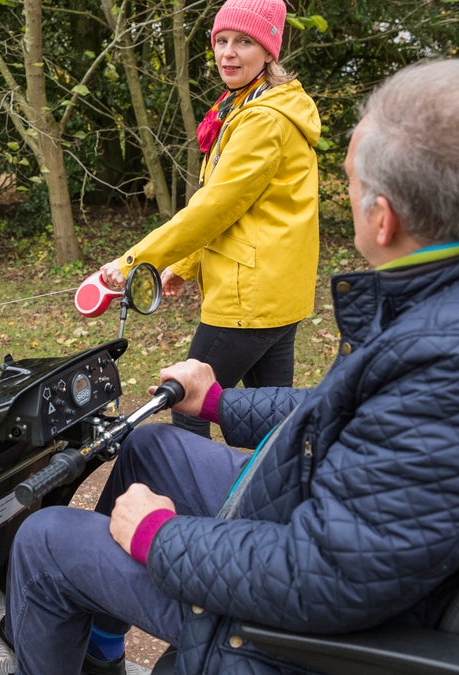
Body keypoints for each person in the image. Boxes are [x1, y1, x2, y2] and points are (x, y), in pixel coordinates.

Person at [1, 57, 459, 675]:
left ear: (383, 219)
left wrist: (160, 537)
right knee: (149, 452)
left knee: (46, 539)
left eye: (347, 183)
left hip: (287, 627)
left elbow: (325, 576)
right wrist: (217, 403)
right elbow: (359, 410)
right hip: (334, 513)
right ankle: (103, 650)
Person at [99, 0, 321, 439]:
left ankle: (195, 501)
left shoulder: (262, 119)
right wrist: (184, 266)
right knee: (271, 421)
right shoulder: (249, 105)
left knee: (187, 406)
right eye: (221, 41)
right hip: (277, 294)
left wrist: (131, 263)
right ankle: (274, 501)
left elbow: (214, 206)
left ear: (268, 51)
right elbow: (238, 209)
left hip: (248, 299)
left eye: (243, 42)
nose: (227, 53)